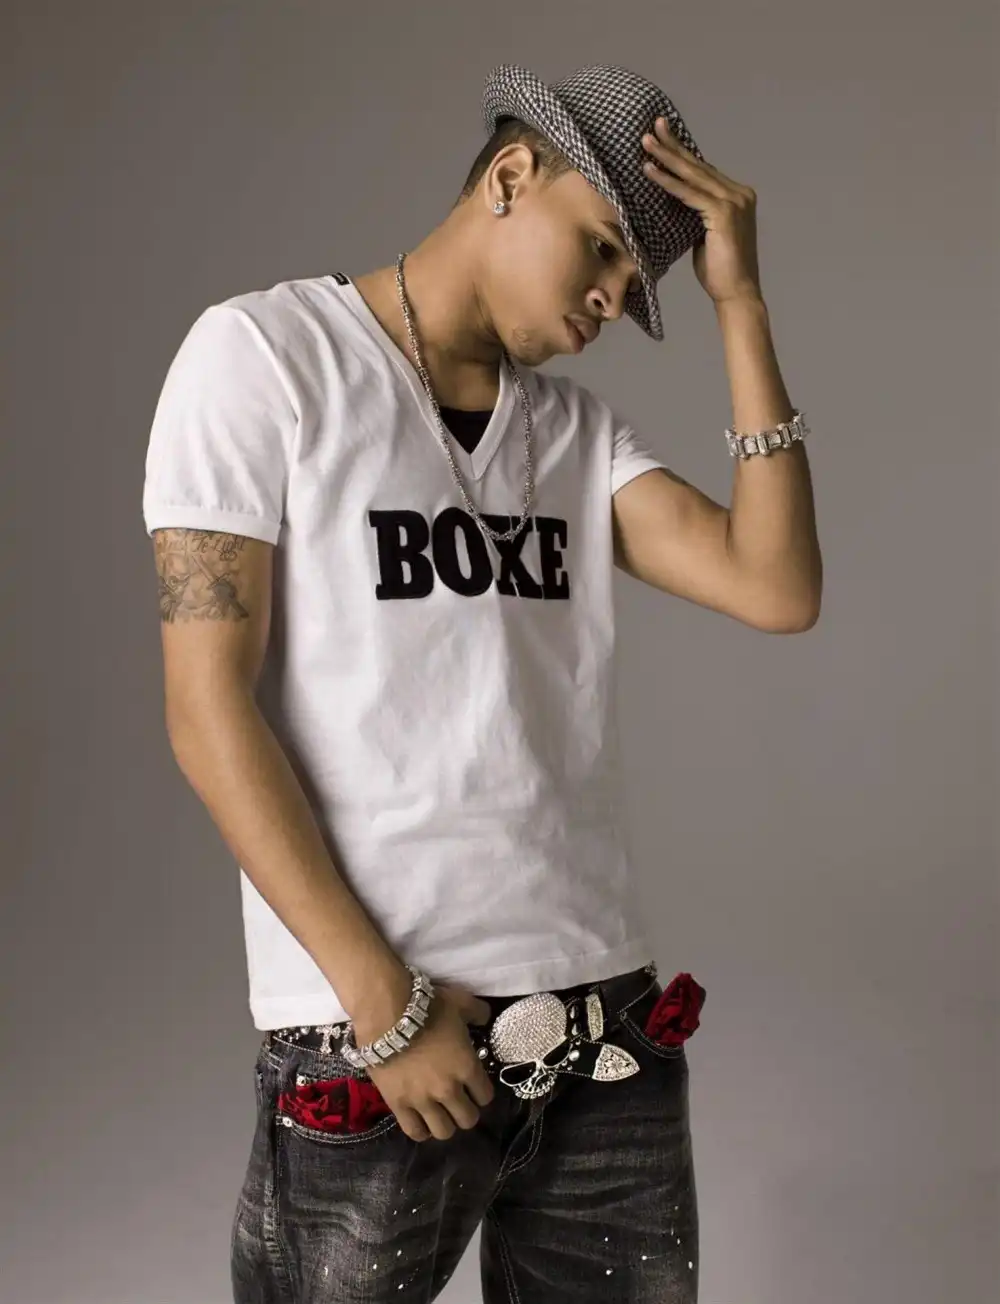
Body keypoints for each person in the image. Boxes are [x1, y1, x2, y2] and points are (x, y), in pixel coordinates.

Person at [143, 61, 820, 1304]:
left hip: (604, 1032)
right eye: (603, 247)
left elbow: (775, 585)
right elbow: (206, 706)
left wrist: (740, 303)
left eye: (635, 284)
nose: (610, 299)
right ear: (511, 175)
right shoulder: (264, 357)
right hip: (379, 1029)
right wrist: (383, 1003)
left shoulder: (573, 435)